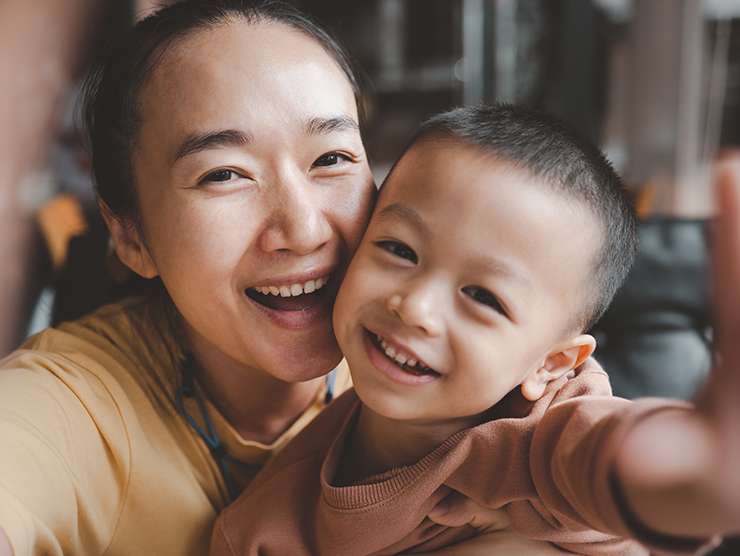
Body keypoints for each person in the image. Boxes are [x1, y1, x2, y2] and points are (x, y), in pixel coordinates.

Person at [0, 2, 571, 556]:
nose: (302, 229)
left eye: (331, 159)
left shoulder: (431, 352)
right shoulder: (65, 407)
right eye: (223, 174)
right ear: (131, 236)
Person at [209, 103, 740, 556]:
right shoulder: (265, 523)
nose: (415, 306)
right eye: (399, 250)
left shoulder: (537, 435)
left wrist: (702, 470)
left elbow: (608, 455)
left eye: (483, 297)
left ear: (551, 364)